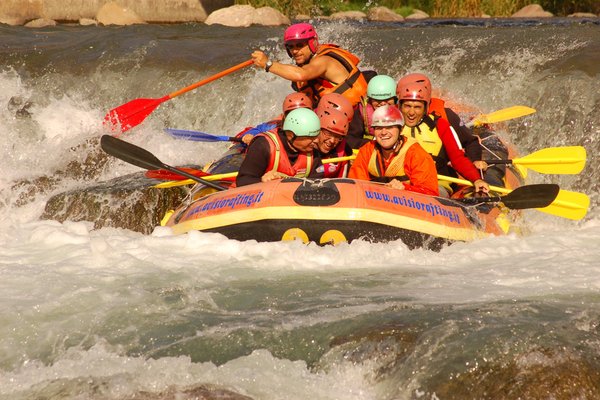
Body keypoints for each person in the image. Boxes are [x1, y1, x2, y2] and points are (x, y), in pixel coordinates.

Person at [396, 78, 489, 197]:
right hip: (401, 184)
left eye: (417, 107)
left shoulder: (440, 125)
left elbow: (458, 158)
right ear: (400, 107)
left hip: (435, 185)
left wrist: (477, 179)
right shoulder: (392, 125)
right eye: (407, 106)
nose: (411, 112)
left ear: (425, 108)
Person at [251, 22, 368, 106]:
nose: (295, 51)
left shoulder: (324, 61)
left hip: (355, 117)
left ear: (312, 43)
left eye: (300, 45)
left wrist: (268, 63)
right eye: (291, 47)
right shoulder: (307, 65)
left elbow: (301, 74)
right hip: (334, 114)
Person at [348, 105, 439, 196]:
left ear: (401, 129)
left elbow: (430, 194)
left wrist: (405, 188)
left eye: (389, 127)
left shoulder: (417, 155)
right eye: (379, 128)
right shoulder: (367, 151)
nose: (383, 132)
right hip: (373, 204)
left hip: (405, 205)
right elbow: (355, 186)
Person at [235, 108, 320, 187]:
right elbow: (242, 180)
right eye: (311, 137)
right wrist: (262, 180)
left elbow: (317, 183)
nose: (316, 141)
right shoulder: (263, 145)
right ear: (290, 135)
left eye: (317, 136)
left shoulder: (313, 152)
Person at [238, 92, 313, 145]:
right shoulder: (274, 127)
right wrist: (250, 136)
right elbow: (256, 131)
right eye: (291, 114)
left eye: (302, 113)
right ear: (285, 116)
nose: (297, 118)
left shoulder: (320, 130)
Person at [347, 74, 398, 150]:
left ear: (395, 99)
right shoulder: (361, 112)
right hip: (372, 147)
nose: (383, 104)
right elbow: (350, 139)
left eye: (388, 99)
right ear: (370, 100)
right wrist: (375, 144)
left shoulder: (403, 109)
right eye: (378, 100)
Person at [312, 108, 354, 179]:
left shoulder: (342, 153)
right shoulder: (303, 149)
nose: (332, 140)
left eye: (338, 137)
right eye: (328, 133)